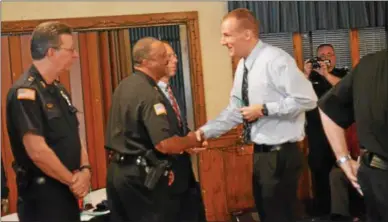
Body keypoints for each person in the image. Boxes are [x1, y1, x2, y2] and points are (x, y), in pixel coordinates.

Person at [196, 8, 317, 222]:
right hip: (261, 156)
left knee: (281, 216)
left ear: (247, 34)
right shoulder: (243, 65)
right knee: (266, 214)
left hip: (281, 155)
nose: (222, 41)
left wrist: (264, 109)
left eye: (226, 35)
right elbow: (235, 110)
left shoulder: (276, 60)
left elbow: (307, 99)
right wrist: (204, 133)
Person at [104, 37, 205, 222]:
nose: (167, 61)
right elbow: (164, 144)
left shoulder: (124, 85)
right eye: (162, 57)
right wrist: (191, 140)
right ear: (146, 62)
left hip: (119, 172)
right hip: (141, 177)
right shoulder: (149, 93)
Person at [6, 21, 91, 222]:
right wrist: (73, 181)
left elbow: (74, 134)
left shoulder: (59, 90)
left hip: (65, 191)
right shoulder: (26, 93)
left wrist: (86, 170)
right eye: (70, 50)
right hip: (43, 197)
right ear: (51, 53)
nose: (76, 55)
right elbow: (37, 151)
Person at [318, 49, 388, 222]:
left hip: (375, 175)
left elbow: (329, 107)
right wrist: (343, 159)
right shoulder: (369, 65)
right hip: (375, 173)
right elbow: (328, 106)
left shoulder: (365, 65)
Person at [157, 41, 206, 221]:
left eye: (175, 55)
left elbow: (181, 127)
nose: (175, 60)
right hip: (165, 175)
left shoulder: (174, 91)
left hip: (185, 174)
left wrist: (193, 140)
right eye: (169, 56)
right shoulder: (149, 94)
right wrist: (185, 143)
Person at [303, 44, 349, 217]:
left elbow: (345, 90)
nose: (326, 58)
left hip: (342, 133)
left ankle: (345, 212)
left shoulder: (342, 74)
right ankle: (323, 213)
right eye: (322, 55)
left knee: (342, 174)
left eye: (329, 54)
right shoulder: (310, 78)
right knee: (320, 174)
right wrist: (307, 74)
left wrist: (327, 74)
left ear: (335, 57)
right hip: (317, 134)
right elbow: (299, 95)